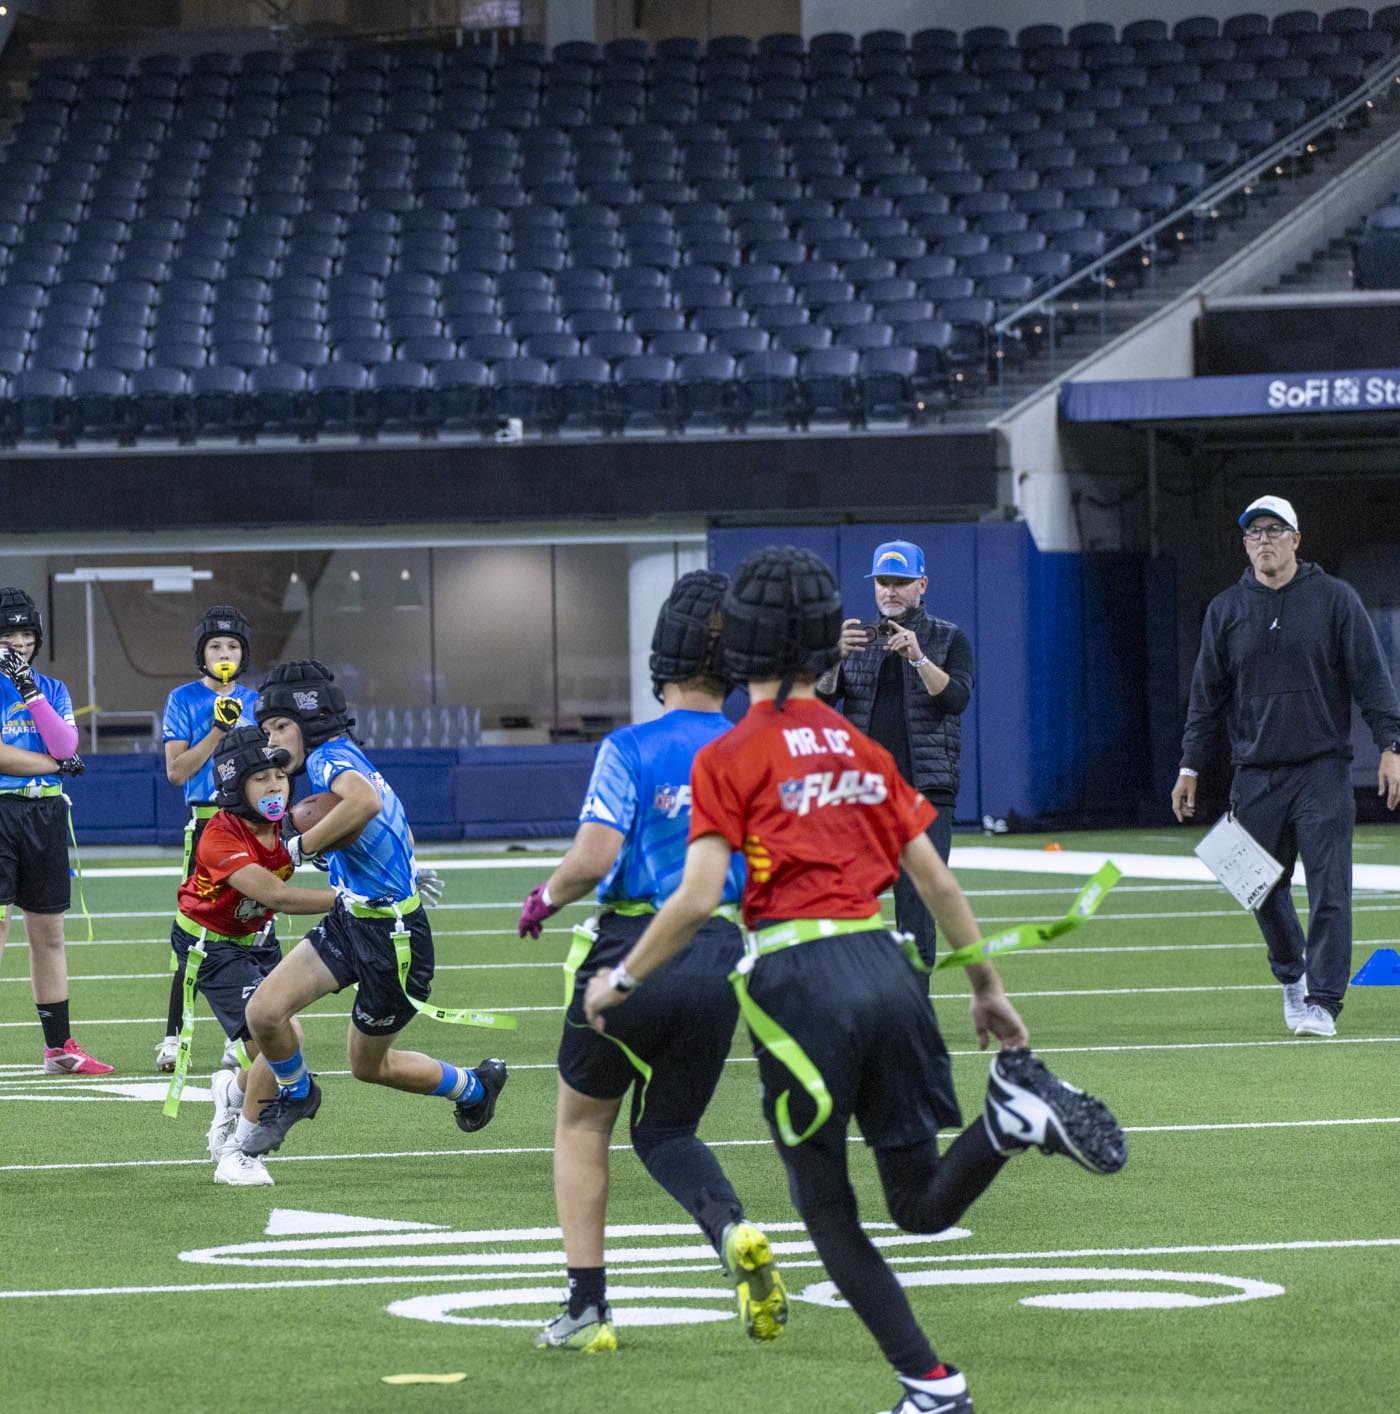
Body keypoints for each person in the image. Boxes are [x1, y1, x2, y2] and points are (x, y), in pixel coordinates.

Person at [587, 546, 1126, 1414]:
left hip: (803, 984)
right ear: (817, 644)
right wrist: (987, 987)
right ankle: (1007, 1122)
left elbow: (694, 897)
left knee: (827, 1208)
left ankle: (932, 1385)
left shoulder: (729, 754)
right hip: (889, 968)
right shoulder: (858, 747)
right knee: (916, 1204)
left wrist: (619, 978)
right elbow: (937, 882)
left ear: (740, 650)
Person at [517, 570, 786, 1354]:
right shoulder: (753, 751)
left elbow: (592, 858)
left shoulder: (630, 748)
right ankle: (731, 1229)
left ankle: (587, 1307)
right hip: (722, 959)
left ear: (660, 657)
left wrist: (544, 898)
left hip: (631, 951)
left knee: (581, 1125)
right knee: (667, 1128)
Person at [226, 660, 498, 1158]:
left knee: (369, 1066)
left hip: (392, 939)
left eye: (281, 726)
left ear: (311, 720)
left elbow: (367, 802)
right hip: (352, 918)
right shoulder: (343, 755)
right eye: (267, 731)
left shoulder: (329, 759)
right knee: (264, 1012)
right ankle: (298, 1094)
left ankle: (474, 1087)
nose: (273, 741)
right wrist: (397, 866)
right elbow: (396, 821)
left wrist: (304, 846)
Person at [1173, 495, 1400, 1039]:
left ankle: (1323, 1003)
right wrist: (1190, 766)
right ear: (1244, 544)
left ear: (1296, 539)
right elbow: (1206, 697)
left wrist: (1391, 746)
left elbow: (1372, 678)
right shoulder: (1226, 609)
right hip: (1254, 771)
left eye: (1275, 530)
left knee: (1330, 890)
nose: (1264, 540)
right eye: (1254, 532)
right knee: (1254, 883)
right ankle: (1292, 973)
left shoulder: (1335, 599)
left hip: (1322, 768)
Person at [0, 587, 113, 1080]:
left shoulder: (53, 689)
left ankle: (59, 1047)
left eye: (26, 635)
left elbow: (66, 741)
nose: (19, 644)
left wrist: (31, 692)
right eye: (9, 637)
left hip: (45, 814)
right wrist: (56, 765)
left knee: (50, 934)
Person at [174, 725, 339, 1186]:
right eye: (261, 778)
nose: (275, 787)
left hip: (260, 938)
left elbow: (351, 830)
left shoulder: (290, 821)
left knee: (270, 1047)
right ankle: (239, 1152)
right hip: (213, 946)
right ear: (234, 787)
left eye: (280, 777)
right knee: (282, 1036)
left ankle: (233, 1092)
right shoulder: (220, 836)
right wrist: (350, 899)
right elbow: (277, 896)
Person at [817, 540, 973, 977]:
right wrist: (832, 659)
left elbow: (955, 699)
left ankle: (914, 1003)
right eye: (883, 582)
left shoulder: (948, 637)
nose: (890, 591)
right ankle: (851, 999)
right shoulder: (856, 640)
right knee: (845, 899)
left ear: (922, 585)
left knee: (918, 906)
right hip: (861, 794)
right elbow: (818, 702)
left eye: (901, 582)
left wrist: (918, 657)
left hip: (925, 790)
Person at [153, 605, 260, 1072]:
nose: (224, 653)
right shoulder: (182, 699)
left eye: (233, 646)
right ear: (202, 653)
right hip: (207, 826)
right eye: (215, 646)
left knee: (254, 930)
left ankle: (244, 1036)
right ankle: (174, 1037)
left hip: (254, 827)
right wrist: (219, 729)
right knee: (195, 932)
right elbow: (177, 772)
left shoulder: (258, 700)